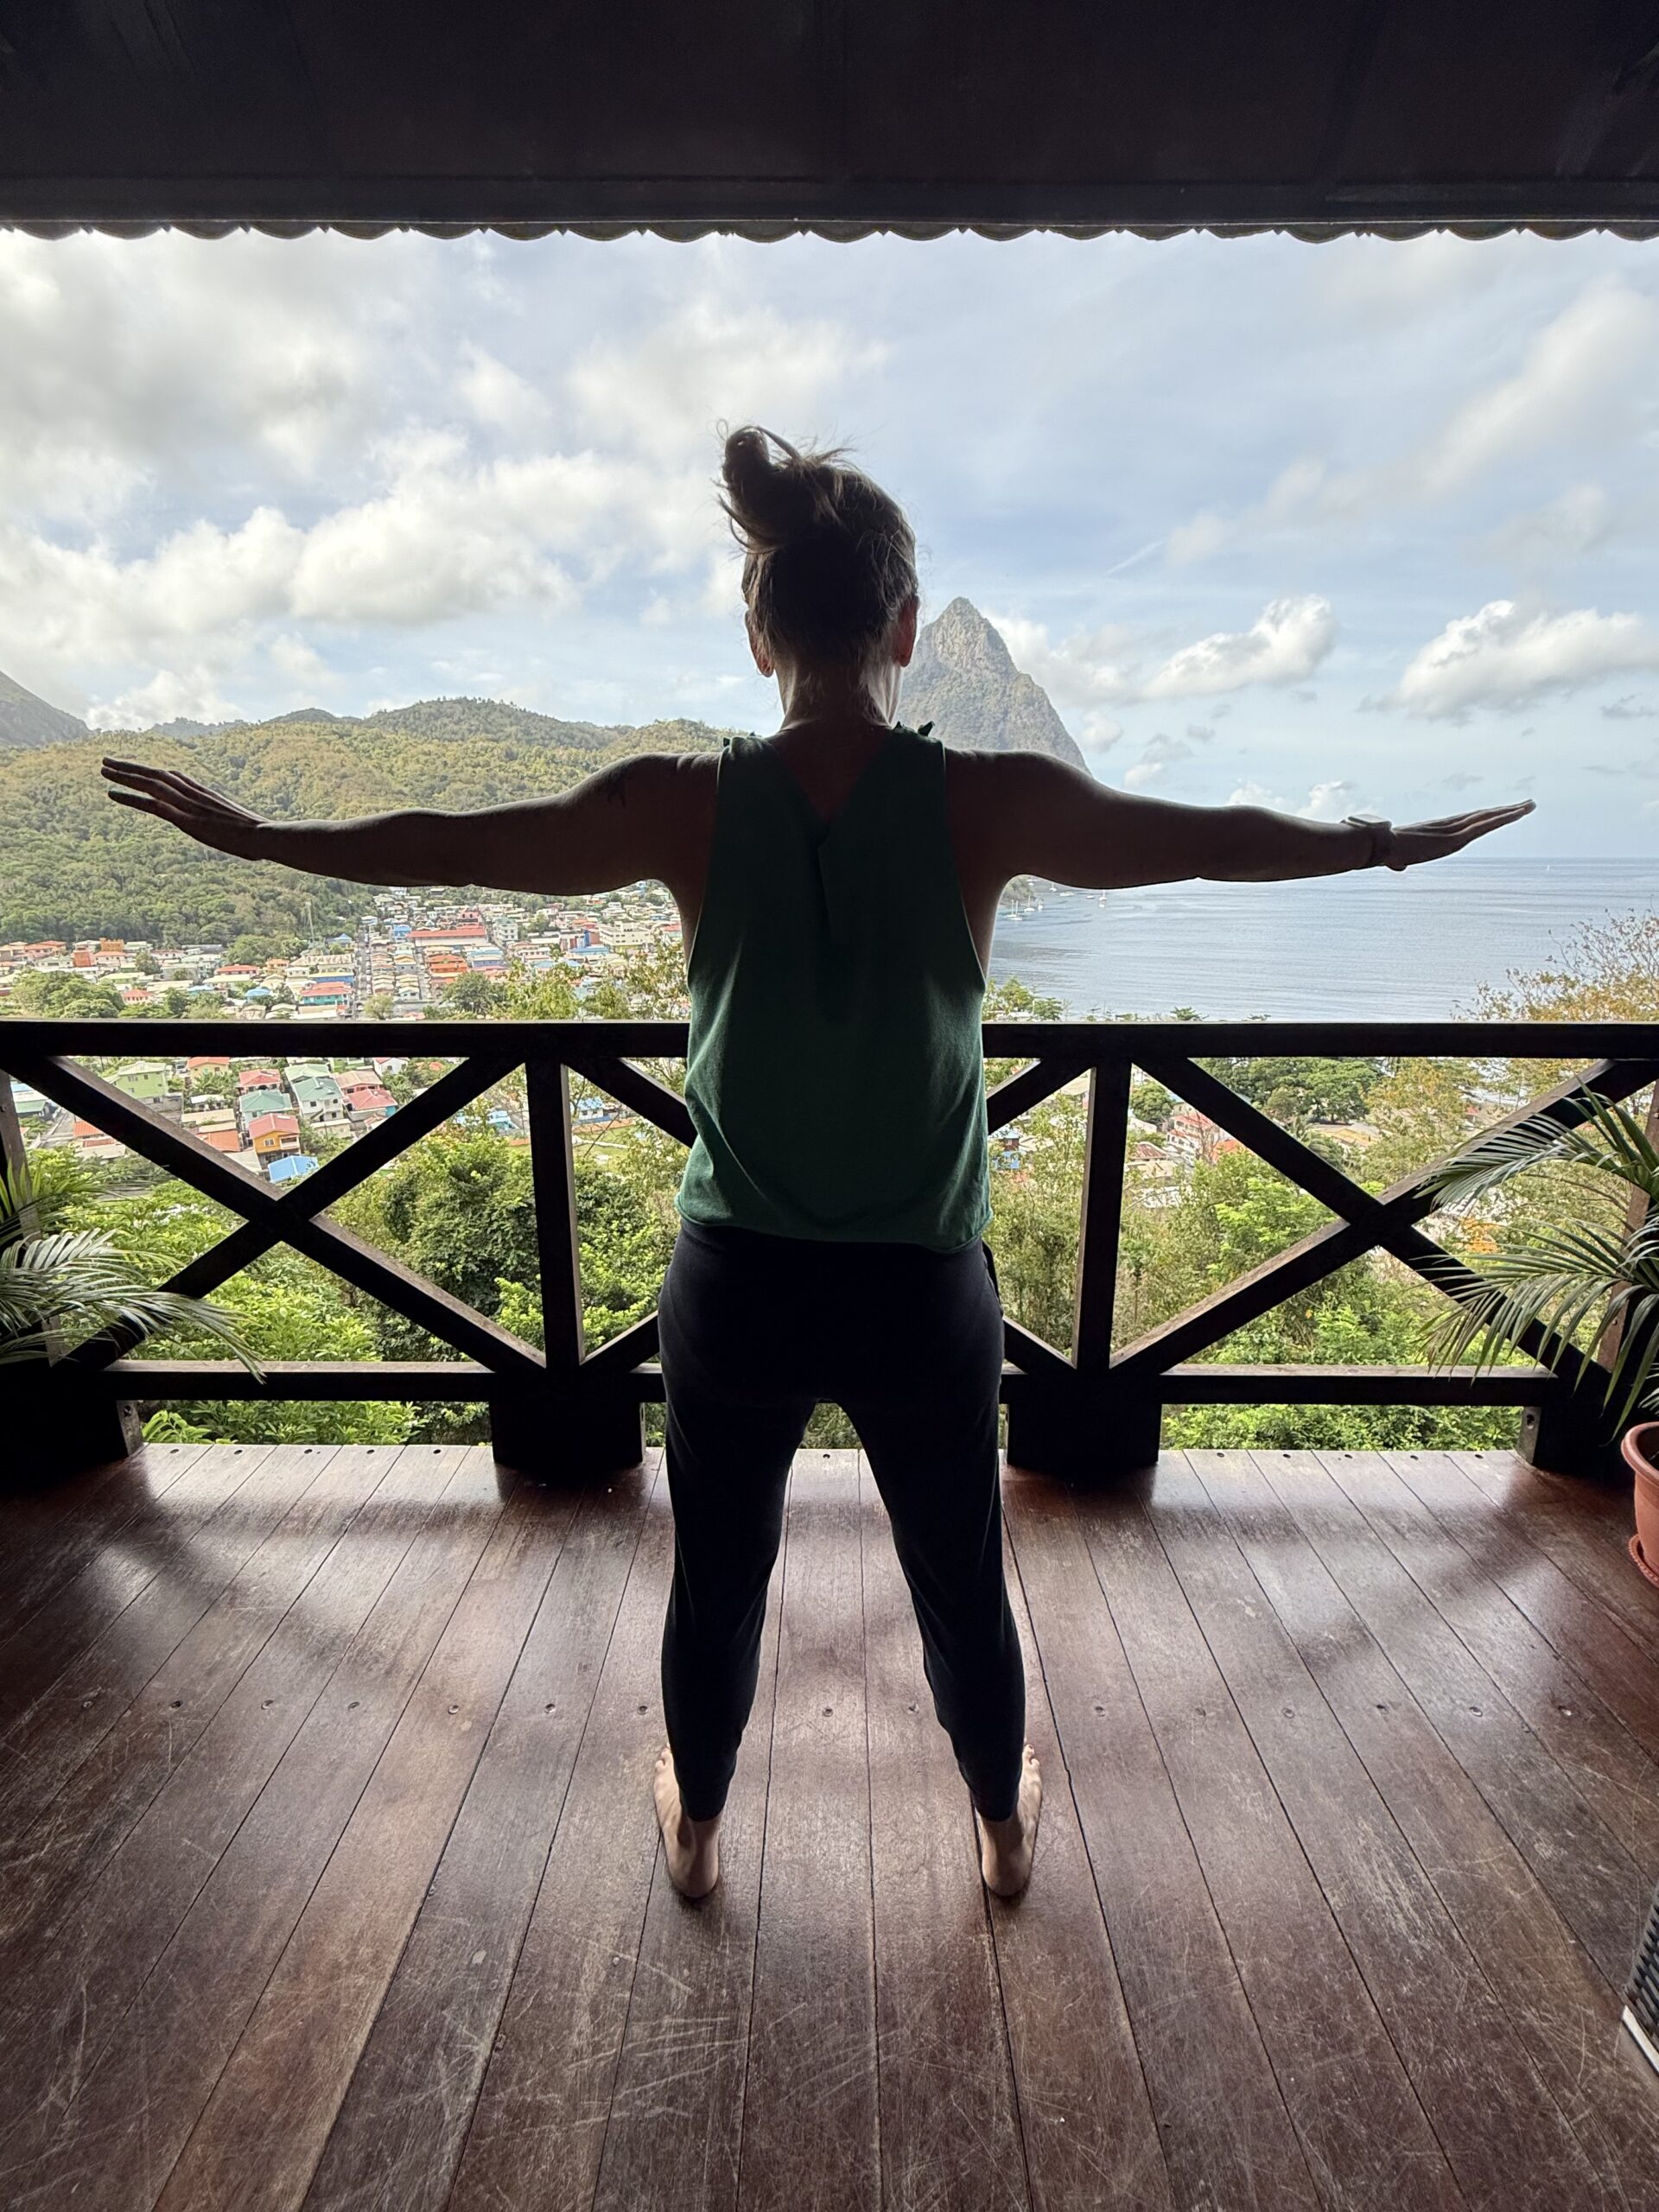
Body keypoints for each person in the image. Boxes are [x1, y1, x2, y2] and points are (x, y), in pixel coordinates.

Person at [102, 425, 1533, 1902]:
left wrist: (273, 842)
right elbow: (1201, 840)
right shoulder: (984, 800)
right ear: (905, 623)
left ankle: (702, 1830)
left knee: (717, 1578)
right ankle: (998, 1826)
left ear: (756, 629)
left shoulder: (683, 801)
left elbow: (461, 845)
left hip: (736, 1280)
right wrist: (1374, 844)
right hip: (924, 1283)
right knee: (960, 1581)